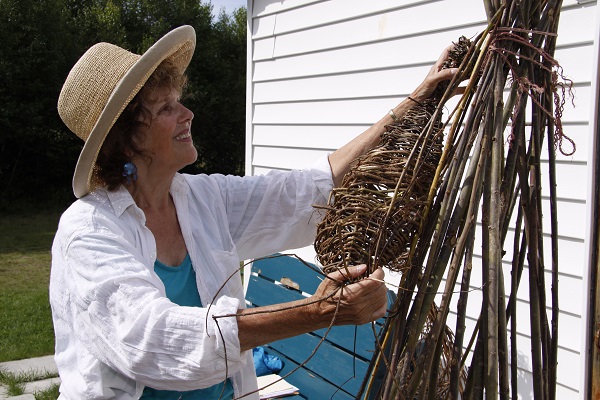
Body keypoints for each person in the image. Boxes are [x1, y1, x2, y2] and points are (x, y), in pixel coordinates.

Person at [49, 25, 458, 400]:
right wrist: (315, 312)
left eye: (179, 101)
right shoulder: (88, 231)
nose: (187, 114)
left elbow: (308, 189)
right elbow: (152, 340)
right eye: (165, 108)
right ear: (125, 139)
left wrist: (414, 102)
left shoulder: (202, 199)